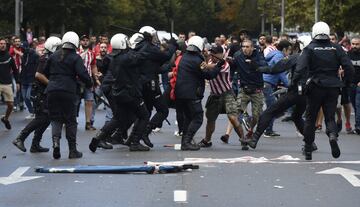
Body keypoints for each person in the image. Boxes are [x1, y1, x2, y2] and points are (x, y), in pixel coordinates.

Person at [293, 22, 354, 160]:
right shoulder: (336, 48)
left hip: (315, 86)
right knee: (330, 117)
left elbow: (300, 69)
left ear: (314, 32)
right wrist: (346, 83)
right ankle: (332, 136)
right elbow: (348, 67)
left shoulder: (309, 49)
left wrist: (296, 83)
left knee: (310, 118)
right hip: (333, 87)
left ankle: (308, 149)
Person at [246, 40, 317, 152]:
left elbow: (275, 69)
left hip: (295, 91)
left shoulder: (296, 57)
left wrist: (257, 68)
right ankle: (310, 143)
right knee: (297, 116)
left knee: (269, 112)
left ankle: (254, 139)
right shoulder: (319, 59)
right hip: (308, 94)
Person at [89, 33, 151, 152]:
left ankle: (98, 137)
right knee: (144, 115)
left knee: (118, 118)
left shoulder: (113, 58)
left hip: (119, 93)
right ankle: (135, 142)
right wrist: (146, 43)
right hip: (131, 93)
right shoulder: (126, 58)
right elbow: (142, 56)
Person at [42, 31, 93, 159]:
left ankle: (56, 144)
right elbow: (83, 74)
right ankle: (72, 150)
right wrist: (88, 83)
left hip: (52, 90)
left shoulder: (54, 56)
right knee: (70, 120)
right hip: (68, 91)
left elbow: (45, 72)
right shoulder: (75, 57)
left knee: (55, 119)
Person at [12, 36, 62, 153]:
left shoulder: (51, 58)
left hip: (44, 92)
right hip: (39, 93)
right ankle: (20, 138)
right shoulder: (45, 59)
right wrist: (51, 84)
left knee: (47, 118)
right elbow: (38, 75)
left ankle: (35, 144)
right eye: (58, 47)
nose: (60, 50)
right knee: (42, 118)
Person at [175, 36, 223, 150]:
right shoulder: (197, 60)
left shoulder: (184, 57)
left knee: (188, 117)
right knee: (198, 117)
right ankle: (186, 142)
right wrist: (218, 67)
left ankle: (184, 142)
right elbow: (208, 75)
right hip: (191, 93)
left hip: (180, 92)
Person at [135, 26, 177, 148]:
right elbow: (166, 56)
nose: (155, 39)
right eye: (153, 36)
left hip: (143, 82)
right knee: (163, 110)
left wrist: (167, 67)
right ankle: (145, 132)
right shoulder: (149, 48)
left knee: (146, 112)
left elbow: (154, 67)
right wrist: (173, 45)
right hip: (150, 84)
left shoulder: (139, 47)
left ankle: (134, 138)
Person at [198, 45, 245, 148]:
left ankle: (243, 139)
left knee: (232, 117)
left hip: (227, 93)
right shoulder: (210, 62)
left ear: (221, 54)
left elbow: (215, 68)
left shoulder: (225, 64)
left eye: (215, 53)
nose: (212, 55)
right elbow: (207, 69)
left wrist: (205, 65)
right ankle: (207, 140)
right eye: (211, 53)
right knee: (210, 119)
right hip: (214, 95)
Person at [262, 40, 291, 137]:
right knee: (272, 108)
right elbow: (280, 71)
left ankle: (268, 129)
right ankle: (267, 130)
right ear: (284, 49)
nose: (289, 52)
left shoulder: (273, 53)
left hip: (266, 82)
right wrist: (289, 85)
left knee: (271, 107)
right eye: (289, 50)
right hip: (268, 83)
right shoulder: (279, 56)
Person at [0, 37, 19, 130]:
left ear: (6, 45)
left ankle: (5, 118)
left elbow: (15, 71)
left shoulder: (9, 57)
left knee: (11, 105)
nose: (2, 45)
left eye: (3, 43)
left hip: (7, 83)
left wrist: (18, 82)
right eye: (0, 43)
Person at [20, 42, 39, 119]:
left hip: (32, 79)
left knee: (29, 96)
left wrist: (36, 78)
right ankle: (32, 112)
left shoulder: (35, 55)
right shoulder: (24, 56)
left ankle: (36, 111)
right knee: (25, 97)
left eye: (23, 47)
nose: (22, 49)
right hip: (24, 79)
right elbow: (23, 67)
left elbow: (38, 67)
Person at [348, 36, 360, 134]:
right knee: (355, 107)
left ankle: (358, 127)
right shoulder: (347, 55)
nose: (355, 46)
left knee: (358, 105)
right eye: (353, 44)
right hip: (350, 84)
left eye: (357, 44)